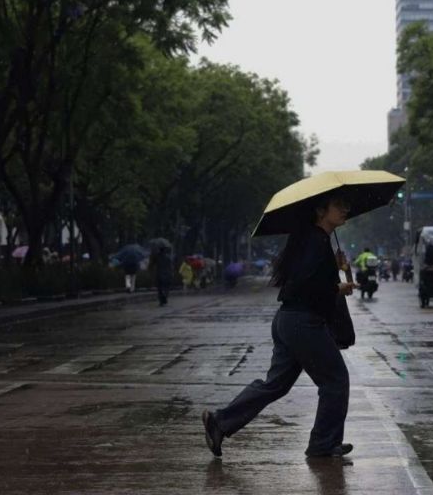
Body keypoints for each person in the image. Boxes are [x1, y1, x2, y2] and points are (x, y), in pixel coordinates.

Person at [202, 192, 356, 458]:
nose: (345, 209)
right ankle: (322, 444)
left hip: (289, 321)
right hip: (303, 323)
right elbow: (309, 287)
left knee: (275, 384)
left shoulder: (313, 241)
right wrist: (337, 285)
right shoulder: (316, 242)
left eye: (345, 205)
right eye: (339, 205)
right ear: (321, 211)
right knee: (336, 380)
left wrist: (342, 270)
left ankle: (220, 422)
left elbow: (321, 283)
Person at [149, 239, 175, 306]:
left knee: (160, 287)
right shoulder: (168, 257)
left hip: (159, 274)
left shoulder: (156, 256)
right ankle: (164, 296)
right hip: (167, 274)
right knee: (166, 287)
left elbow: (151, 264)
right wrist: (172, 274)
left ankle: (129, 288)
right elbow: (171, 267)